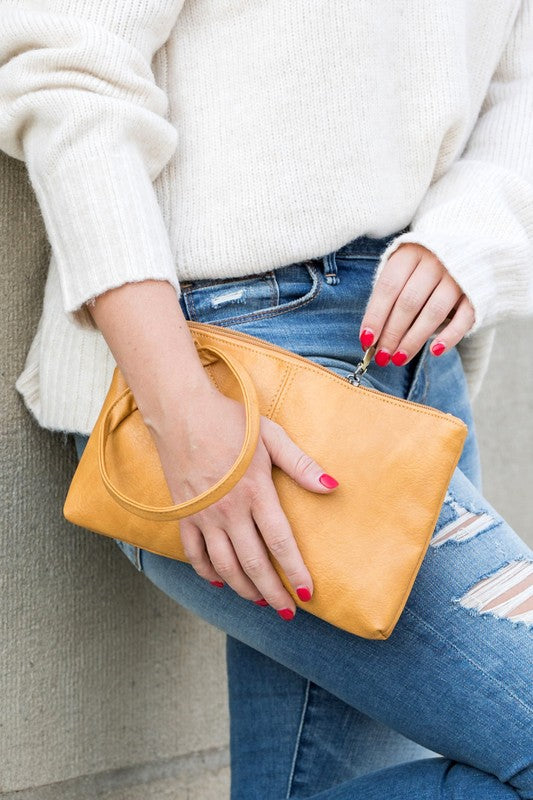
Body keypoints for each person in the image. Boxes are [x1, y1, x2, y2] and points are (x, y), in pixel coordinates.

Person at [1, 2, 532, 798]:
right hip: (225, 355)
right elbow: (66, 60)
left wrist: (471, 233)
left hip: (412, 365)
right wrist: (181, 409)